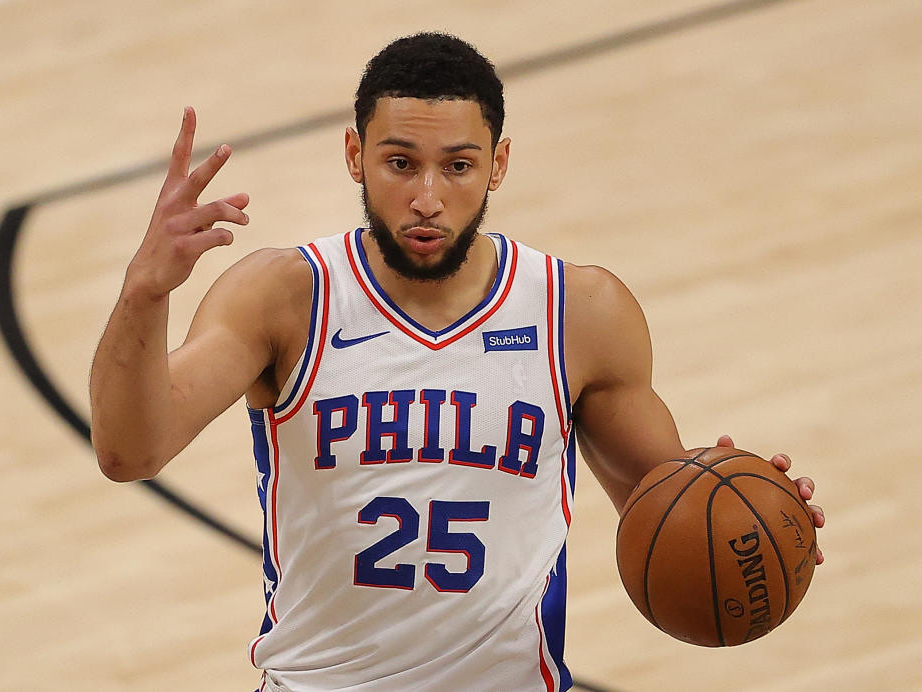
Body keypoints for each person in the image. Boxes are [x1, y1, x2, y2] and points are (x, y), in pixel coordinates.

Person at [89, 32, 824, 692]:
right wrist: (144, 293)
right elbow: (130, 450)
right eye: (400, 163)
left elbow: (665, 499)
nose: (428, 199)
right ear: (354, 155)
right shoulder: (284, 298)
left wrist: (757, 514)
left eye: (459, 166)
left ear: (499, 163)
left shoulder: (579, 314)